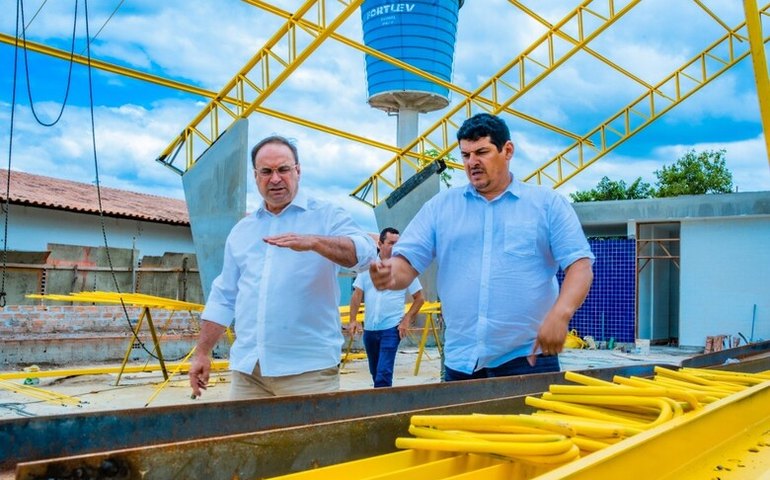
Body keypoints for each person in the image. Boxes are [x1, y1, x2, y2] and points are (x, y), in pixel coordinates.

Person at [369, 113, 594, 381]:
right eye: (465, 155)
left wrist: (560, 314)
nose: (472, 162)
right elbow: (407, 263)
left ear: (507, 150)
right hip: (461, 361)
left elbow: (580, 266)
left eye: (482, 152)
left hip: (528, 358)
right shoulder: (441, 208)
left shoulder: (546, 205)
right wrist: (390, 274)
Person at [189, 135, 377, 400]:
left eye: (283, 169)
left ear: (298, 171)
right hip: (249, 372)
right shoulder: (243, 231)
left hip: (308, 372)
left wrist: (315, 242)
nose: (275, 178)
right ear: (256, 176)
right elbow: (224, 296)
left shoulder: (326, 216)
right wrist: (202, 352)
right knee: (243, 430)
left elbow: (366, 254)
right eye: (266, 171)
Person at [347, 227, 425, 387]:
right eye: (391, 243)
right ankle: (382, 398)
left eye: (397, 244)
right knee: (375, 372)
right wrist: (353, 320)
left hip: (391, 329)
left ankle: (382, 401)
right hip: (370, 329)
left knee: (383, 373)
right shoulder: (367, 267)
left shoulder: (405, 268)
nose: (395, 247)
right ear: (380, 244)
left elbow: (420, 298)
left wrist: (406, 320)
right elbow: (357, 294)